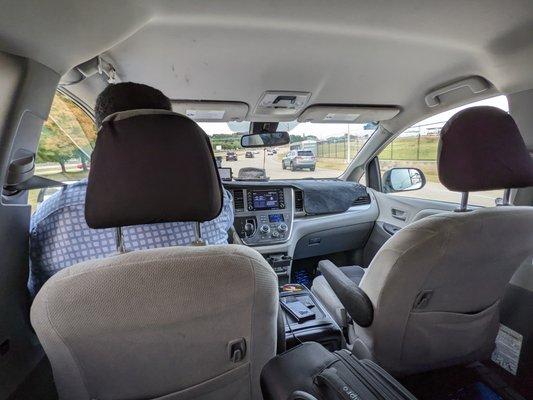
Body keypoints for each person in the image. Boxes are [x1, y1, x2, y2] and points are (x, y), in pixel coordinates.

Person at [28, 82, 234, 296]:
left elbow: (37, 296)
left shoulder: (53, 216)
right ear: (171, 132)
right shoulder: (216, 202)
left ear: (102, 134)